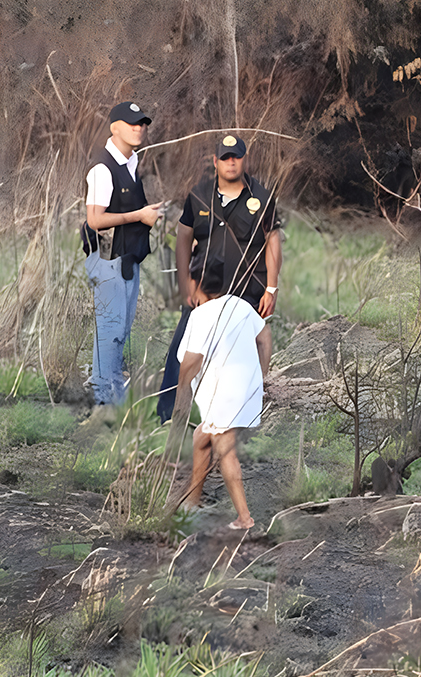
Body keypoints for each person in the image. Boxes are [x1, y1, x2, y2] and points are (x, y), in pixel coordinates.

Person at [156, 134, 282, 423]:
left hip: (246, 291)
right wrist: (187, 283)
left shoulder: (261, 197)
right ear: (215, 161)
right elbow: (184, 238)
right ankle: (169, 416)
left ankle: (246, 412)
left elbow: (272, 240)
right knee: (183, 350)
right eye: (225, 157)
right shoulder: (199, 195)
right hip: (205, 290)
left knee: (250, 350)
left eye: (236, 156)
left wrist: (271, 287)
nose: (231, 162)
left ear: (243, 159)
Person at [174, 268, 272, 530]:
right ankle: (193, 501)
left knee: (225, 450)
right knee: (201, 438)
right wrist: (261, 376)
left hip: (223, 395)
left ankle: (245, 518)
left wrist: (180, 395)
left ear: (198, 286)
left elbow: (191, 361)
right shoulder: (239, 304)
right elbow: (264, 337)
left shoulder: (201, 314)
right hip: (245, 388)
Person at [82, 102, 164, 410]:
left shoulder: (132, 161)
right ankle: (105, 403)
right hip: (109, 262)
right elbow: (95, 220)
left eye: (142, 123)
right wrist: (139, 215)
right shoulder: (102, 170)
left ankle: (113, 398)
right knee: (110, 331)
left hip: (128, 261)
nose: (139, 128)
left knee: (120, 332)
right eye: (131, 123)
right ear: (114, 127)